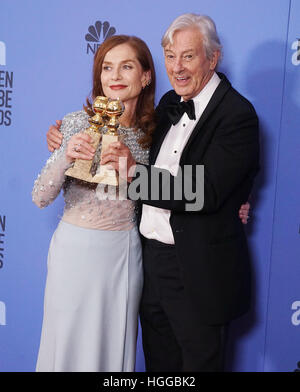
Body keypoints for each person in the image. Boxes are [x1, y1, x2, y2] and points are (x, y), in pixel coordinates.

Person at [45, 18, 253, 372]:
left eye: (188, 57)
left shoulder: (237, 114)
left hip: (198, 274)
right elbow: (127, 132)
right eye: (171, 56)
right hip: (148, 267)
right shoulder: (168, 106)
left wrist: (134, 174)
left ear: (213, 58)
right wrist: (61, 137)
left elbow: (205, 189)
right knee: (160, 367)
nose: (177, 67)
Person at [32, 35, 154, 372]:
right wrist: (64, 158)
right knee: (67, 347)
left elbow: (174, 189)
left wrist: (233, 203)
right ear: (98, 77)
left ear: (145, 76)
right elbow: (41, 196)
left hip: (124, 256)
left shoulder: (156, 134)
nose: (115, 76)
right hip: (74, 252)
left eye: (126, 66)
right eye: (107, 67)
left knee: (112, 347)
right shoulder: (74, 123)